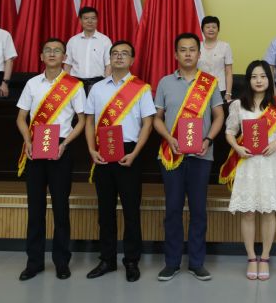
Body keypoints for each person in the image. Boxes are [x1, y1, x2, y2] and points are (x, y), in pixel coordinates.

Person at [154, 33, 225, 281]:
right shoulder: (165, 82)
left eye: (192, 49)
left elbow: (219, 116)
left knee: (198, 210)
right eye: (182, 49)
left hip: (201, 155)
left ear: (198, 53)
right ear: (176, 54)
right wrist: (169, 138)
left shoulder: (210, 82)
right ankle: (171, 262)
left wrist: (208, 140)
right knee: (172, 209)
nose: (187, 54)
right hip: (171, 155)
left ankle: (196, 262)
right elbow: (157, 118)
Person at [84, 40, 155, 282]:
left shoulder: (141, 88)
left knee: (131, 211)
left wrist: (135, 153)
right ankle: (107, 259)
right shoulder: (97, 88)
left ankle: (131, 261)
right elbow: (89, 121)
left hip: (129, 153)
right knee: (105, 211)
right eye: (115, 53)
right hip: (102, 153)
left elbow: (148, 123)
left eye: (124, 54)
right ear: (110, 58)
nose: (119, 57)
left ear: (132, 60)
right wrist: (91, 150)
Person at [15, 38, 86, 281]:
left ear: (64, 57)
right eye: (48, 50)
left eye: (57, 51)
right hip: (35, 147)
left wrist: (65, 144)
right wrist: (27, 141)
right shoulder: (32, 83)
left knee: (60, 208)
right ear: (41, 56)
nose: (52, 53)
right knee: (35, 208)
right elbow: (21, 117)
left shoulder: (73, 85)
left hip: (60, 148)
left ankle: (61, 262)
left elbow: (82, 120)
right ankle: (33, 262)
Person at [219, 60, 276, 280]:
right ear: (248, 80)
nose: (259, 80)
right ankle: (251, 257)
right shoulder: (238, 105)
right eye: (254, 76)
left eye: (263, 76)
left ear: (269, 80)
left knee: (268, 211)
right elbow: (229, 131)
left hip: (270, 162)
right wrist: (237, 148)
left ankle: (265, 257)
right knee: (248, 212)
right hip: (247, 163)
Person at [64, 6, 112, 94]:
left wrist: (105, 84)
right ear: (80, 20)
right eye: (86, 18)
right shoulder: (73, 41)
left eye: (93, 18)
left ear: (97, 20)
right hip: (75, 84)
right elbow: (67, 65)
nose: (90, 21)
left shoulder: (105, 40)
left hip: (97, 83)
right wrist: (67, 84)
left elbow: (108, 65)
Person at [198, 15, 234, 105]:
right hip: (200, 88)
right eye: (208, 27)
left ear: (218, 29)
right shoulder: (197, 46)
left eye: (214, 27)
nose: (211, 29)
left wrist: (228, 93)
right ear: (202, 29)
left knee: (220, 112)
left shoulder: (225, 46)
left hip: (220, 89)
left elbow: (228, 72)